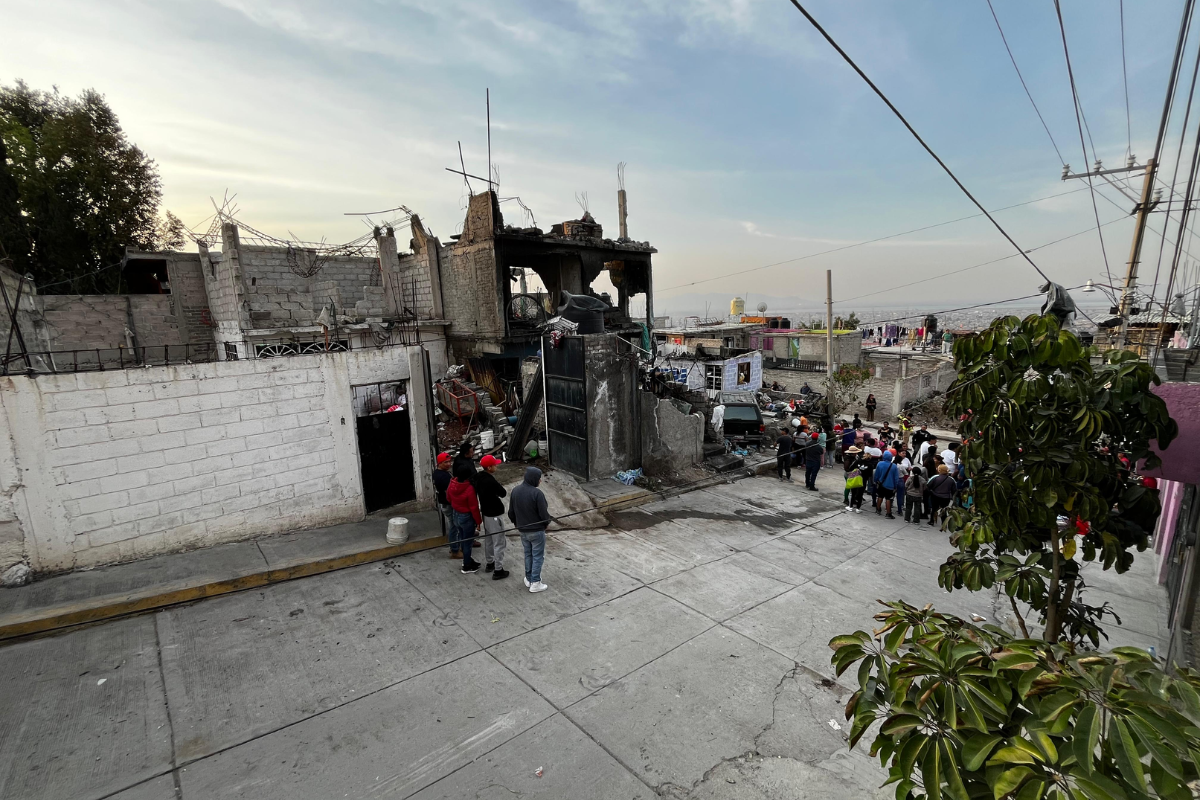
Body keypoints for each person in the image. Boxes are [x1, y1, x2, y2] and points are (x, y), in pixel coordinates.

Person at [509, 466, 552, 593]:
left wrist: (517, 524)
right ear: (534, 479)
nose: (540, 481)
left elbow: (511, 512)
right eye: (539, 478)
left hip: (523, 530)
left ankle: (528, 578)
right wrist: (546, 524)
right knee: (538, 556)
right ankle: (535, 582)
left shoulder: (515, 490)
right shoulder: (537, 493)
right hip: (537, 531)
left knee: (528, 554)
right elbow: (544, 514)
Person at [474, 455, 510, 580]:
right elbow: (503, 493)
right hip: (494, 514)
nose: (496, 466)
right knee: (499, 542)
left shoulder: (478, 477)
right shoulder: (490, 480)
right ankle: (498, 570)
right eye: (494, 465)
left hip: (485, 513)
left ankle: (490, 563)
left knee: (489, 540)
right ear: (489, 467)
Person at [446, 462, 482, 574]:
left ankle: (467, 561)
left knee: (462, 538)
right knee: (468, 542)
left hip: (456, 514)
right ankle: (466, 565)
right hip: (466, 517)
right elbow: (474, 507)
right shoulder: (469, 488)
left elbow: (448, 498)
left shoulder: (452, 483)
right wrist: (478, 521)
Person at [433, 452, 457, 558]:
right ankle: (455, 550)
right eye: (445, 462)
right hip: (448, 504)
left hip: (447, 503)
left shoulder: (441, 473)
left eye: (449, 461)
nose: (449, 464)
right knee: (453, 526)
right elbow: (451, 492)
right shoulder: (442, 477)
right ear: (439, 463)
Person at [873, 451, 901, 519]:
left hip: (881, 484)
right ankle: (888, 513)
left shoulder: (879, 464)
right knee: (888, 499)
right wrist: (895, 486)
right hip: (890, 485)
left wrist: (876, 481)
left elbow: (876, 474)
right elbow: (896, 478)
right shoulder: (894, 466)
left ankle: (878, 509)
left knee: (880, 496)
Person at [843, 446, 865, 512]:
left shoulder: (854, 457)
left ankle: (851, 499)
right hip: (849, 473)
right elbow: (846, 468)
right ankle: (846, 499)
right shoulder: (848, 459)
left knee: (851, 486)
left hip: (852, 473)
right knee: (848, 486)